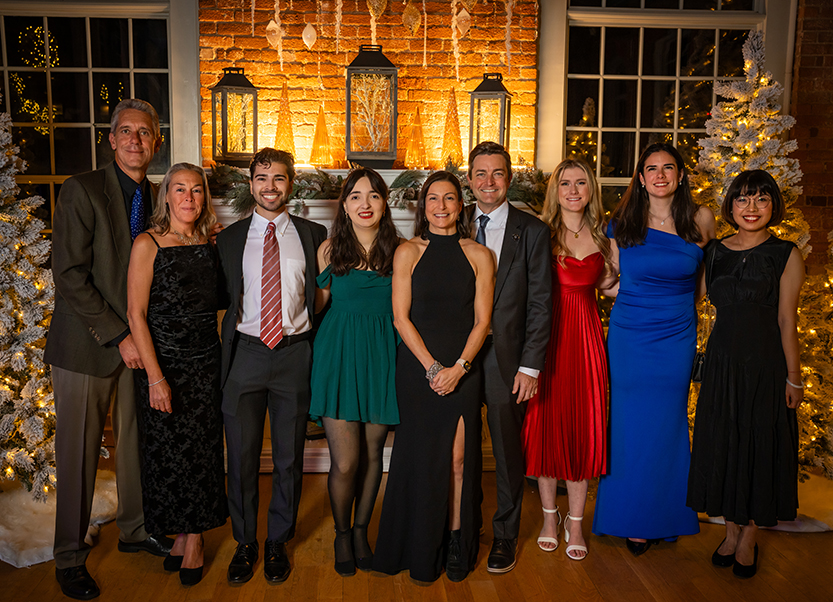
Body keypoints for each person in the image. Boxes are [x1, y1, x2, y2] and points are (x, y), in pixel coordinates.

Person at [44, 98, 173, 600]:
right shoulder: (83, 190)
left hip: (139, 348)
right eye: (127, 132)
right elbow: (69, 276)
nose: (136, 140)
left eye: (145, 133)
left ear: (155, 141)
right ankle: (69, 557)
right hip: (88, 348)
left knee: (137, 447)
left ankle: (136, 530)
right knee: (77, 454)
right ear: (112, 139)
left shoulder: (160, 197)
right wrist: (120, 336)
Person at [592, 142, 715, 555]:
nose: (660, 175)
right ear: (641, 179)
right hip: (630, 335)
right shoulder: (623, 221)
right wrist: (640, 295)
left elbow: (702, 287)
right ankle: (630, 518)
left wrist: (674, 305)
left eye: (668, 168)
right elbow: (609, 282)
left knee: (668, 424)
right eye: (651, 169)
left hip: (677, 336)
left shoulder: (701, 219)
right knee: (628, 427)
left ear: (680, 175)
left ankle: (666, 514)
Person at [373, 171, 495, 582]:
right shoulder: (408, 251)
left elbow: (483, 322)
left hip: (463, 368)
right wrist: (431, 368)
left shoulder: (479, 254)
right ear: (422, 207)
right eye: (433, 200)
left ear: (461, 205)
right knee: (422, 459)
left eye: (449, 199)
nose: (441, 207)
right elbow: (400, 318)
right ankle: (420, 544)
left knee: (459, 460)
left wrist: (458, 369)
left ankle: (457, 539)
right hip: (418, 369)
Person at [216, 148, 327, 585]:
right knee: (241, 458)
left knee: (288, 457)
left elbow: (325, 292)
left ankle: (278, 539)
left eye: (279, 179)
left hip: (294, 354)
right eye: (262, 178)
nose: (270, 187)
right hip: (245, 354)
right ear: (250, 184)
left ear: (291, 184)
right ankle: (245, 541)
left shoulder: (314, 233)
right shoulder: (228, 238)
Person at [687, 170, 803, 578]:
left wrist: (794, 377)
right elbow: (688, 295)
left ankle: (749, 536)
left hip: (766, 365)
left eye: (761, 200)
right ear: (730, 205)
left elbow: (788, 321)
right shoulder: (714, 252)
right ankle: (731, 530)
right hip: (721, 362)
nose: (751, 209)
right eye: (743, 199)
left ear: (774, 206)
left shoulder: (786, 254)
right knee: (724, 442)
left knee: (758, 445)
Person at [126, 163, 228, 586]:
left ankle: (194, 538)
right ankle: (183, 532)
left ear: (204, 197)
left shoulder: (210, 241)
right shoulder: (148, 244)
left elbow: (225, 301)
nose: (188, 198)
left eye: (197, 191)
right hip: (162, 365)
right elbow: (136, 313)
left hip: (207, 363)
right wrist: (155, 377)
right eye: (180, 190)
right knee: (167, 456)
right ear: (166, 195)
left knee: (202, 455)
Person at [521, 159, 616, 560]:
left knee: (582, 428)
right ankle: (548, 516)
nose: (573, 190)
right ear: (554, 190)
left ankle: (575, 522)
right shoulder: (540, 234)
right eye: (565, 183)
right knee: (546, 428)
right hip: (547, 339)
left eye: (581, 183)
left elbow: (613, 288)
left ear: (591, 189)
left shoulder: (607, 237)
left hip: (588, 340)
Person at [464, 141, 552, 573]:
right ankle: (464, 530)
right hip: (460, 358)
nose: (488, 182)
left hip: (507, 360)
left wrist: (530, 366)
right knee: (459, 451)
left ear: (509, 178)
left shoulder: (531, 230)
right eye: (480, 173)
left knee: (505, 452)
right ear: (469, 179)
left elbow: (540, 303)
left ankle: (504, 536)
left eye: (497, 173)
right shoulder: (449, 221)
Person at [308, 168, 402, 576]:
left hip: (383, 356)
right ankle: (342, 534)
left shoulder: (401, 251)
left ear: (385, 203)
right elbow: (316, 305)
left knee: (372, 455)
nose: (365, 204)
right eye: (356, 197)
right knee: (345, 462)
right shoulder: (330, 250)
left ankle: (362, 530)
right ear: (344, 206)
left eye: (374, 196)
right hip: (339, 356)